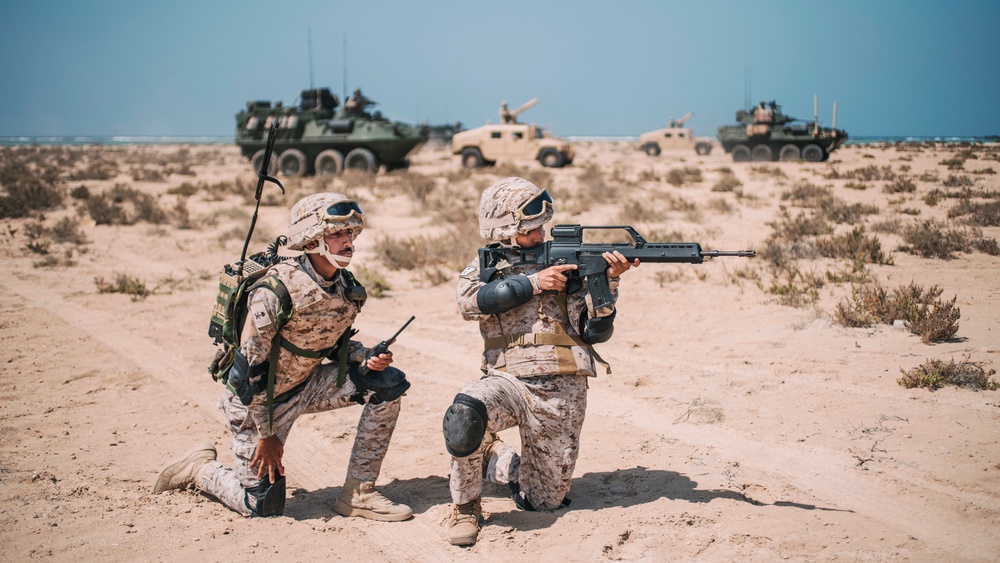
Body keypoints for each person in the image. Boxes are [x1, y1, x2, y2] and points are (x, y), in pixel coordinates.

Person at [154, 193, 412, 522]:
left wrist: (365, 357)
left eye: (351, 234)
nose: (348, 242)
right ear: (312, 241)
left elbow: (329, 344)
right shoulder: (275, 291)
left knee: (387, 383)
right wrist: (267, 434)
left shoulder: (346, 289)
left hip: (306, 387)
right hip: (257, 405)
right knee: (262, 505)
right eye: (337, 235)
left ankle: (358, 493)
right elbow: (248, 374)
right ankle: (200, 469)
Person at [441, 177, 638, 546]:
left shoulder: (571, 265)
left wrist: (607, 282)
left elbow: (595, 330)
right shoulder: (488, 266)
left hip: (562, 388)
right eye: (531, 230)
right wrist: (535, 283)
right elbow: (470, 302)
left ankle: (494, 456)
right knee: (465, 414)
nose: (540, 235)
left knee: (544, 502)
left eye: (541, 227)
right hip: (506, 380)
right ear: (506, 231)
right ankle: (465, 506)